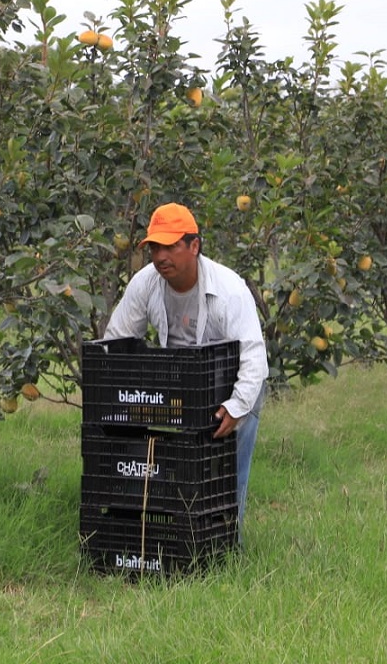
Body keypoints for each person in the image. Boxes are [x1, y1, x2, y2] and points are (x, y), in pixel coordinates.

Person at [104, 202, 268, 532]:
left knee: (227, 470)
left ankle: (225, 541)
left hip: (233, 383)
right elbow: (116, 340)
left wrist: (236, 408)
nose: (161, 256)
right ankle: (174, 533)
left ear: (194, 246)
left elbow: (254, 358)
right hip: (181, 381)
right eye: (154, 248)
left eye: (170, 246)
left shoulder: (228, 290)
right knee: (176, 465)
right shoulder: (145, 283)